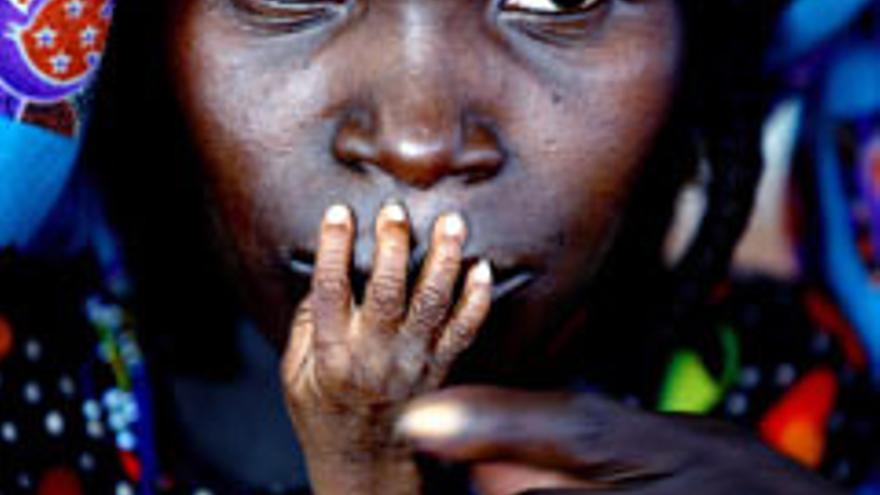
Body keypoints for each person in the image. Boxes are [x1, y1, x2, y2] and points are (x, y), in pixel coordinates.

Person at [0, 0, 876, 493]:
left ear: (699, 59)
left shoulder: (788, 395)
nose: (417, 139)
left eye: (556, 2)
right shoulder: (20, 390)